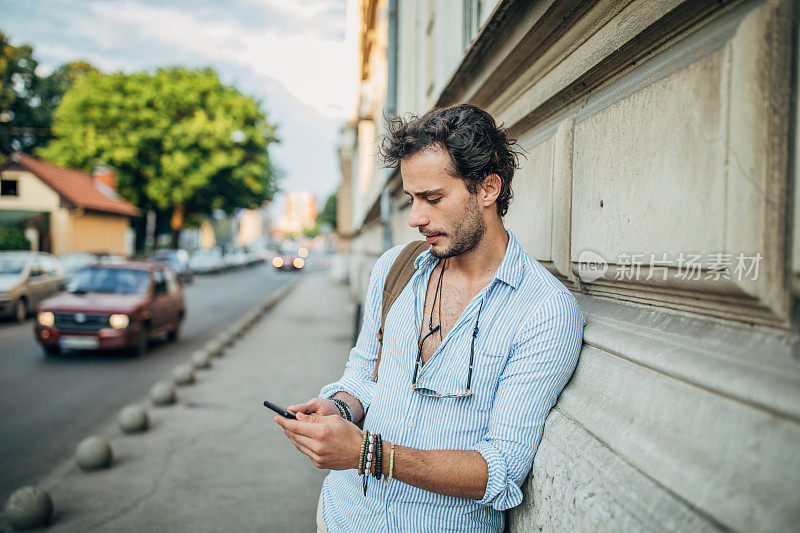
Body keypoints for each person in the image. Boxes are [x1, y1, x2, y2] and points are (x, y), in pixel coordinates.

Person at [274, 104, 585, 532]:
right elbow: (365, 373)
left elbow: (503, 467)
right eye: (411, 199)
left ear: (488, 188)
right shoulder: (395, 269)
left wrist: (369, 454)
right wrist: (338, 409)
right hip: (342, 516)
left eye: (432, 198)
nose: (416, 218)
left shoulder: (544, 311)